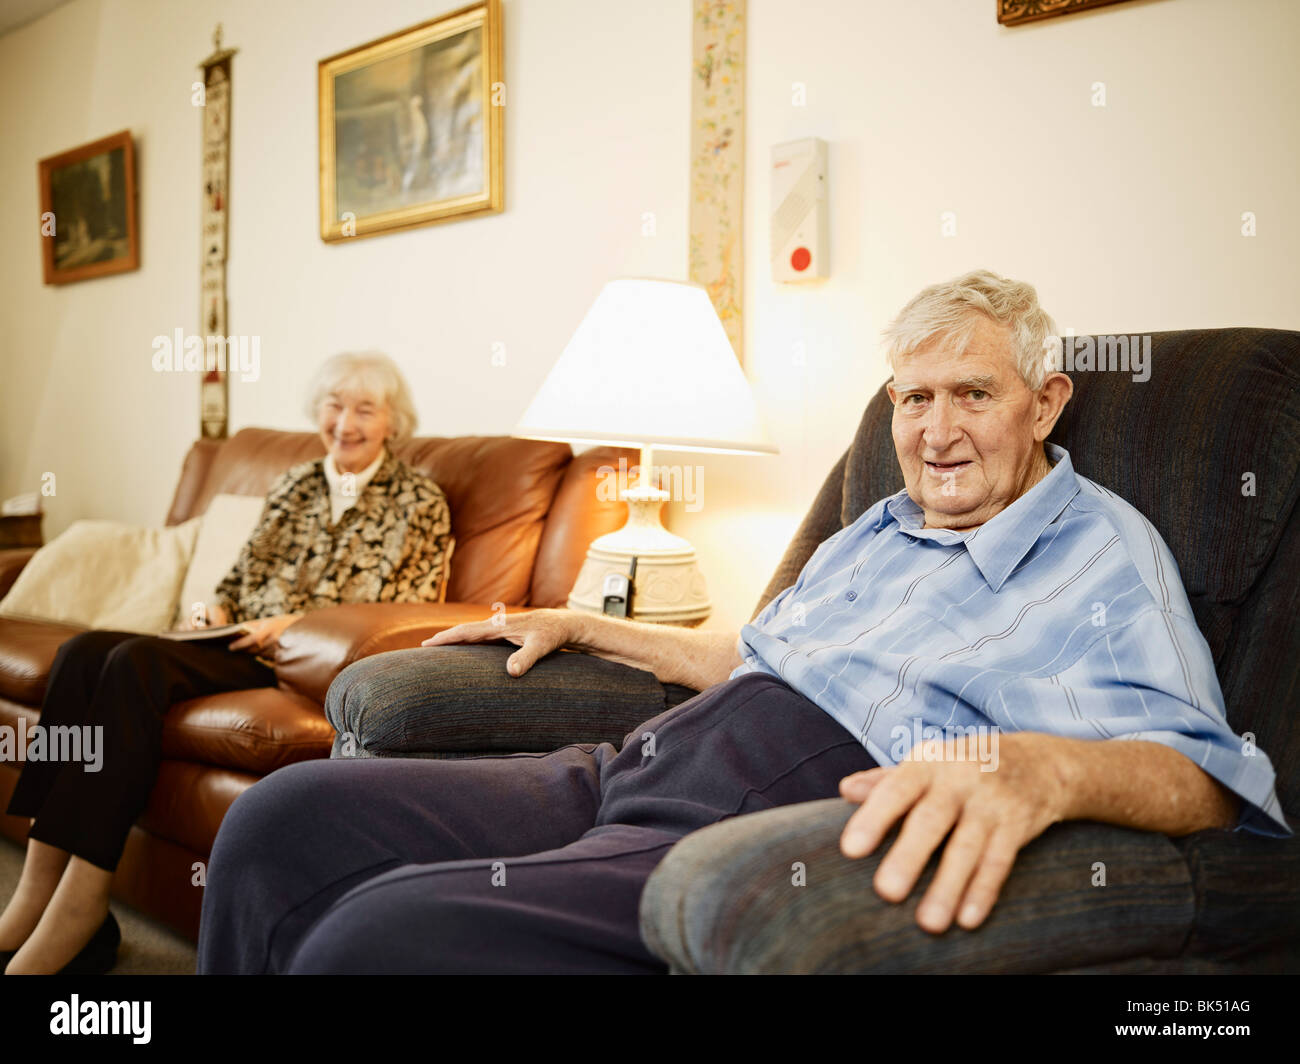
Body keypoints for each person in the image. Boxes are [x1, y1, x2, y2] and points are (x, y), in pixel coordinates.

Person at [196, 272, 1289, 975]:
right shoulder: (879, 525)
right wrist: (589, 625)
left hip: (757, 822)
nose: (936, 431)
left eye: (973, 394)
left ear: (1044, 403)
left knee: (377, 940)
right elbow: (752, 652)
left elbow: (1207, 772)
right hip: (628, 767)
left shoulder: (1101, 552)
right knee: (281, 823)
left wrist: (1051, 770)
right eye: (912, 399)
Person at [1, 352, 451, 975]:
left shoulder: (418, 499)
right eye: (333, 405)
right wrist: (215, 609)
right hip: (239, 642)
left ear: (392, 423)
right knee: (82, 651)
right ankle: (35, 891)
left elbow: (414, 603)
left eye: (364, 410)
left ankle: (80, 910)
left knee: (134, 664)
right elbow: (240, 580)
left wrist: (296, 626)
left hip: (305, 663)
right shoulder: (295, 484)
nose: (344, 422)